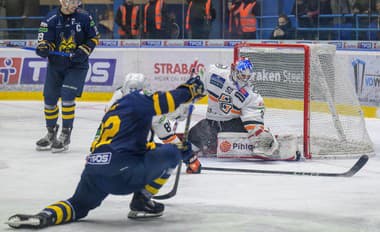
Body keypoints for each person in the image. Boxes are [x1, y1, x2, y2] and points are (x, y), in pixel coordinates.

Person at [6, 76, 205, 229]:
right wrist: (189, 90)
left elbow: (101, 147)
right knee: (171, 153)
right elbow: (167, 101)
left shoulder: (112, 110)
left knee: (77, 205)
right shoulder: (138, 101)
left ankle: (44, 216)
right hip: (124, 171)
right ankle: (142, 201)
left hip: (94, 170)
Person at [188, 59, 291, 174]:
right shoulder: (214, 73)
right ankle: (210, 146)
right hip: (211, 123)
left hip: (232, 125)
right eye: (242, 75)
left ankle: (264, 142)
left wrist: (258, 135)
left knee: (256, 138)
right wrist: (187, 99)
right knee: (190, 142)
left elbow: (253, 121)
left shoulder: (251, 96)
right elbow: (196, 87)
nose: (244, 79)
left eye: (247, 76)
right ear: (233, 69)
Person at [35, 0, 100, 153]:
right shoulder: (50, 19)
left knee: (67, 95)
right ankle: (51, 132)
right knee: (49, 99)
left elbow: (94, 37)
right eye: (72, 1)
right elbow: (45, 41)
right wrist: (44, 47)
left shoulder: (84, 17)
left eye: (77, 1)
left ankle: (65, 133)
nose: (75, 4)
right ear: (62, 2)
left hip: (77, 66)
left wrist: (84, 50)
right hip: (56, 66)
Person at [106, 73, 199, 173]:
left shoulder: (114, 102)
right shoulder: (151, 109)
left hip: (106, 158)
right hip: (132, 161)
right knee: (164, 151)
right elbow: (169, 138)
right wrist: (190, 158)